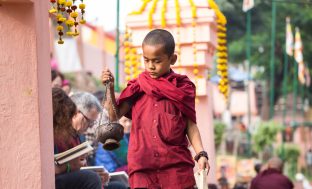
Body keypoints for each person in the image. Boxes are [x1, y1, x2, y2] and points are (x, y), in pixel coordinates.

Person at [102, 29, 210, 188]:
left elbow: (190, 125)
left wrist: (201, 153)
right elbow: (114, 116)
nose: (151, 66)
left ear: (172, 59)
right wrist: (110, 89)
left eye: (157, 61)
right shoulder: (137, 87)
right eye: (146, 60)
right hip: (142, 168)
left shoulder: (182, 88)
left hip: (175, 167)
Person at [52, 88, 102, 189]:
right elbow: (49, 169)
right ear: (77, 113)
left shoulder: (80, 136)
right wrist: (70, 166)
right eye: (89, 121)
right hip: (55, 180)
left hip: (68, 177)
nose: (90, 126)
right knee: (91, 178)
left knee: (116, 185)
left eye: (93, 123)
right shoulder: (54, 133)